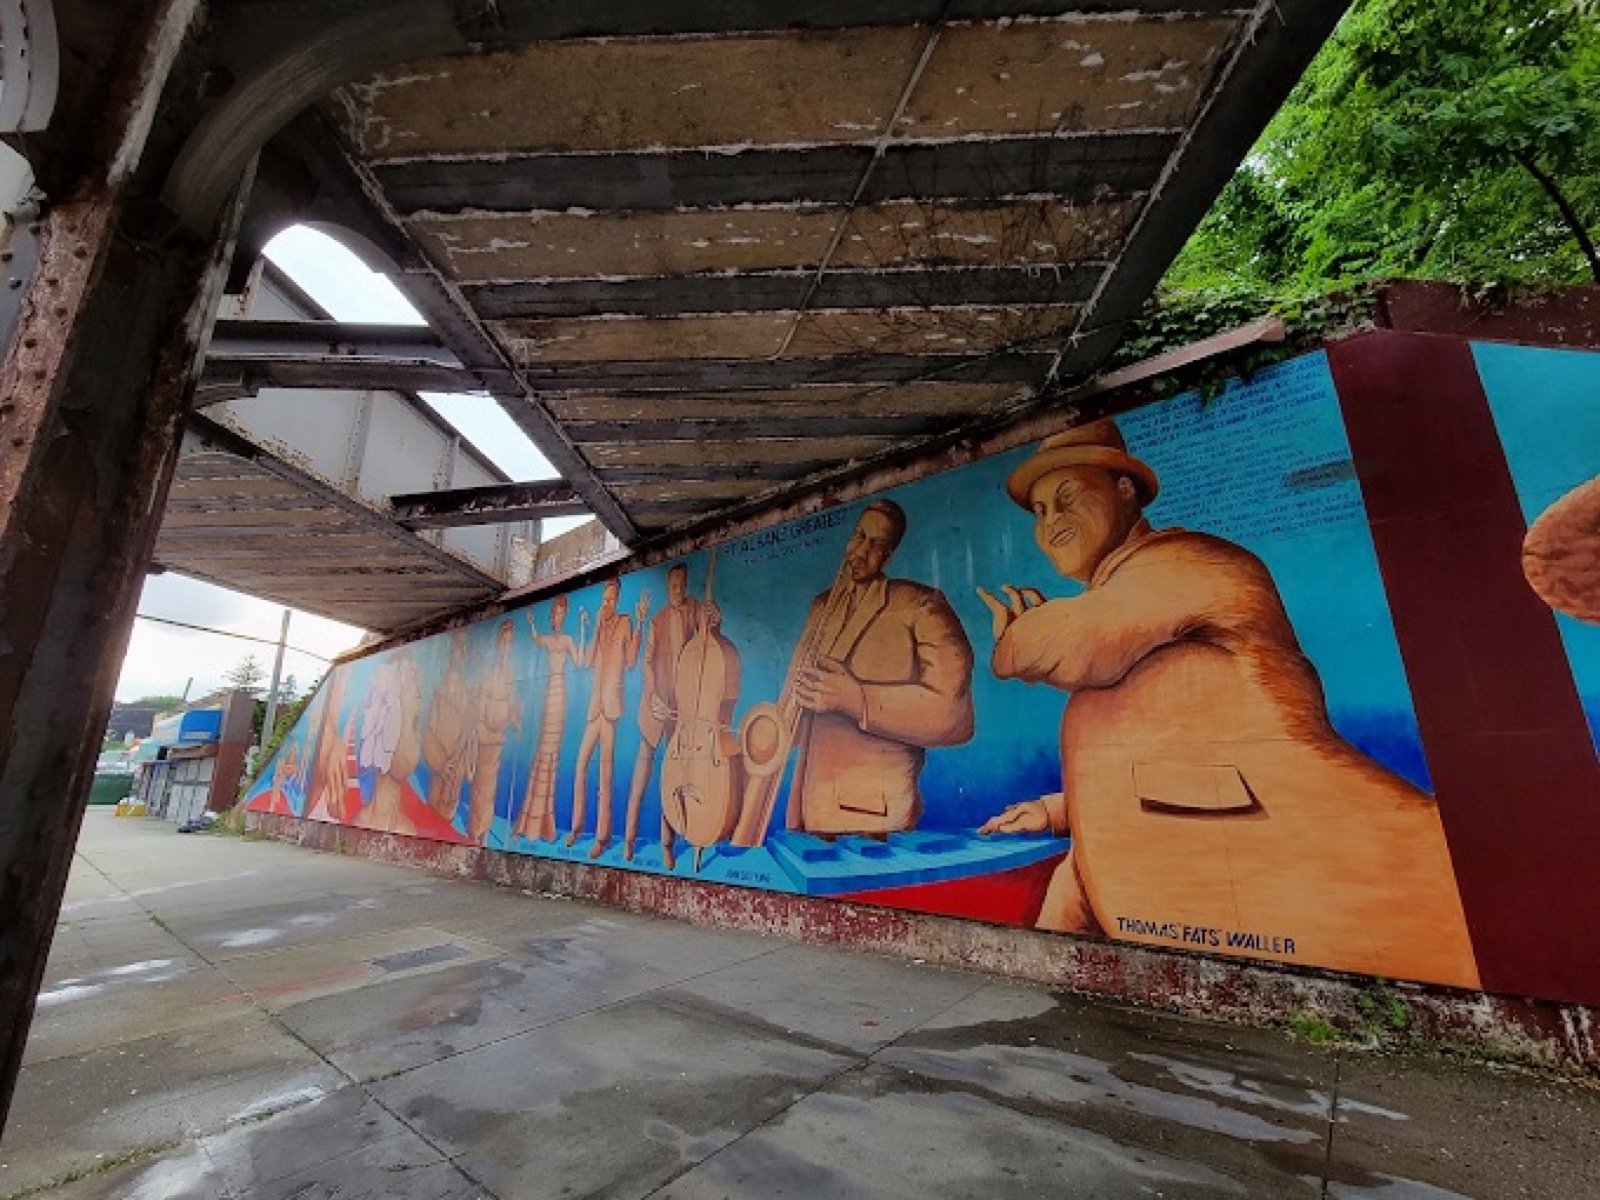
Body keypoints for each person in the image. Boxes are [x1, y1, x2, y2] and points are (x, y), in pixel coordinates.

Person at [977, 418, 1480, 988]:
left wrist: (1020, 635)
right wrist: (1061, 811)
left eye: (1067, 497)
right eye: (1040, 512)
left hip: (1370, 893)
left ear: (1124, 490)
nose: (1052, 522)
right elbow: (1177, 761)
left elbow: (1059, 648)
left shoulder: (1191, 562)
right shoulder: (1129, 605)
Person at [783, 499, 975, 835]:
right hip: (807, 813)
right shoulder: (821, 607)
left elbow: (955, 714)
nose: (860, 550)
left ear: (888, 557)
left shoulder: (921, 606)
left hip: (875, 818)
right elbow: (791, 705)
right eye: (859, 536)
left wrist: (858, 699)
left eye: (876, 545)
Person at [621, 563, 720, 867]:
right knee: (641, 776)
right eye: (673, 586)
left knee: (672, 779)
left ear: (686, 584)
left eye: (681, 585)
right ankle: (628, 840)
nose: (677, 590)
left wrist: (715, 622)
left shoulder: (694, 608)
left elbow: (708, 640)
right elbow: (646, 662)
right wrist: (652, 696)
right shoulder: (657, 620)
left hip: (684, 710)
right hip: (656, 707)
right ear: (667, 586)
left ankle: (668, 844)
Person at [570, 577, 647, 857]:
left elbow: (630, 662)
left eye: (612, 599)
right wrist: (593, 628)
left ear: (618, 600)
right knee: (580, 767)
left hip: (611, 710)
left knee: (605, 775)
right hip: (594, 710)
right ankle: (577, 827)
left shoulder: (625, 622)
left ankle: (601, 837)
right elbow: (588, 661)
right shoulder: (600, 626)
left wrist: (639, 624)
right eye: (605, 599)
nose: (607, 603)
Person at [513, 594, 582, 843]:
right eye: (554, 615)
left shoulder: (567, 640)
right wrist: (531, 621)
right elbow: (534, 638)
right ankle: (530, 818)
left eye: (560, 615)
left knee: (551, 752)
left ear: (564, 617)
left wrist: (584, 631)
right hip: (548, 693)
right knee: (543, 750)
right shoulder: (548, 639)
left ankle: (544, 820)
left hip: (559, 693)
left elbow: (580, 661)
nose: (556, 618)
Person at [465, 619, 521, 844]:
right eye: (503, 641)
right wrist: (482, 726)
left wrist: (513, 720)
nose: (505, 647)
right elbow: (482, 703)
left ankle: (483, 832)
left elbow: (511, 705)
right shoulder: (490, 673)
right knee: (480, 788)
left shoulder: (511, 674)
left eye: (509, 642)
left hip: (497, 739)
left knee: (489, 790)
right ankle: (475, 831)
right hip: (484, 736)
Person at [422, 630, 473, 821]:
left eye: (464, 647)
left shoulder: (468, 691)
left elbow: (468, 730)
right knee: (434, 803)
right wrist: (441, 763)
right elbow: (430, 729)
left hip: (455, 765)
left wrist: (458, 760)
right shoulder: (439, 690)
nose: (460, 651)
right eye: (457, 646)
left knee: (448, 806)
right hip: (439, 763)